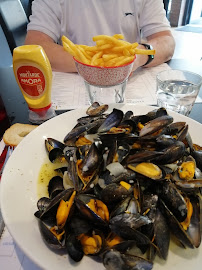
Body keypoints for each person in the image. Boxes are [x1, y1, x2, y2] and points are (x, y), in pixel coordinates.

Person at [25, 0, 175, 73]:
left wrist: (137, 58)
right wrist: (98, 63)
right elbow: (34, 46)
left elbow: (166, 42)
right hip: (73, 86)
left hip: (128, 87)